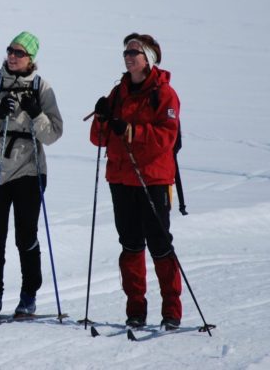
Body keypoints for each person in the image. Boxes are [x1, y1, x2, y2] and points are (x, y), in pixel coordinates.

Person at [89, 32, 183, 330]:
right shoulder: (119, 92)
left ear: (149, 59)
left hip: (153, 179)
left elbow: (166, 137)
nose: (129, 58)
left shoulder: (165, 93)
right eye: (126, 53)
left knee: (159, 244)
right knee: (130, 245)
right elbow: (97, 139)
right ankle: (136, 310)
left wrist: (129, 129)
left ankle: (172, 310)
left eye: (134, 53)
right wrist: (102, 118)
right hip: (120, 179)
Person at [0, 31, 64, 319]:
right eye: (10, 50)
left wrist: (36, 113)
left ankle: (28, 296)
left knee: (26, 236)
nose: (12, 56)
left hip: (29, 170)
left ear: (31, 58)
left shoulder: (41, 88)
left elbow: (53, 135)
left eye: (19, 52)